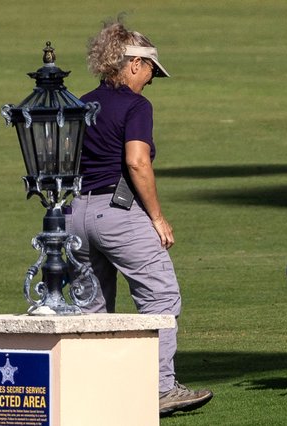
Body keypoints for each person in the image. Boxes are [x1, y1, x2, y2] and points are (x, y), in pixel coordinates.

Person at [66, 19, 213, 416]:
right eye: (150, 70)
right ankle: (161, 388)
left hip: (74, 215)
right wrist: (158, 217)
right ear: (133, 64)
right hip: (118, 214)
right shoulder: (135, 106)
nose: (151, 80)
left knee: (91, 308)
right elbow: (137, 161)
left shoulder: (79, 104)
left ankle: (89, 390)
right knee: (161, 297)